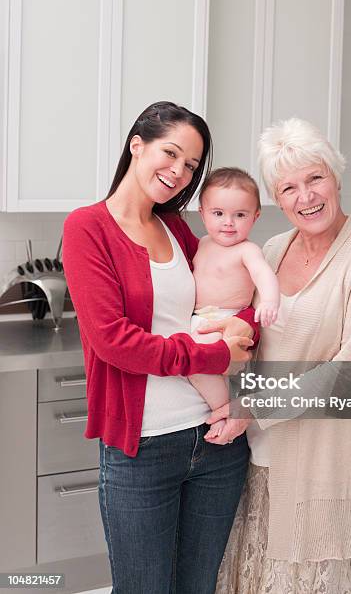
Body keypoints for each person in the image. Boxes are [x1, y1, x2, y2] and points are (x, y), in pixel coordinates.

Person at [62, 101, 259, 594]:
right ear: (137, 145)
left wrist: (244, 344)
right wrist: (216, 355)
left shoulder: (176, 227)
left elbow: (230, 295)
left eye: (191, 165)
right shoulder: (88, 228)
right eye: (170, 153)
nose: (178, 172)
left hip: (217, 442)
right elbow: (115, 343)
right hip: (142, 449)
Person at [203, 118, 351, 593]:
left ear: (336, 177)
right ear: (275, 197)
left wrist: (251, 406)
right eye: (288, 187)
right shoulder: (270, 249)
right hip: (253, 456)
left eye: (315, 178)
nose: (305, 196)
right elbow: (249, 336)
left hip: (323, 459)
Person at [189, 167, 280, 439]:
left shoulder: (247, 250)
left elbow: (264, 274)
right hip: (199, 318)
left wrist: (269, 301)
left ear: (255, 216)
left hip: (226, 321)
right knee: (190, 365)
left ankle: (222, 411)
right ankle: (220, 406)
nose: (228, 222)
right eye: (218, 214)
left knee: (196, 365)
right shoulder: (201, 244)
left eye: (240, 215)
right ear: (202, 213)